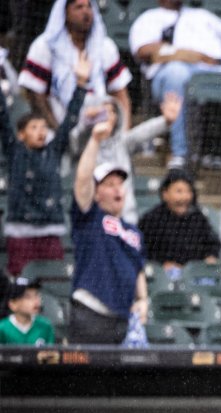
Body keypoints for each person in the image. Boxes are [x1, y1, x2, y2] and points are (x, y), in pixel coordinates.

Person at [1, 52, 89, 276]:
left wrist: (81, 84)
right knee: (20, 283)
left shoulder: (53, 150)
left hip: (49, 232)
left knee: (53, 280)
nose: (40, 132)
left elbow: (69, 120)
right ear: (21, 134)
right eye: (33, 128)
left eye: (43, 128)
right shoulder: (14, 152)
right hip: (20, 232)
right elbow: (2, 118)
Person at [69, 120, 147, 344]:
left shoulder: (132, 230)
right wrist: (94, 140)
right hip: (90, 311)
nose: (117, 188)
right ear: (96, 193)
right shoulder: (89, 217)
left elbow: (137, 265)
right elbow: (83, 181)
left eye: (119, 184)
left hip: (121, 317)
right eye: (109, 183)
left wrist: (143, 299)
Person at [129, 0, 221, 169]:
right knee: (177, 74)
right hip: (168, 74)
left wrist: (192, 56)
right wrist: (187, 55)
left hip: (210, 71)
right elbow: (143, 51)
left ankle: (218, 154)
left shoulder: (202, 16)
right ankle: (180, 154)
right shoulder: (149, 18)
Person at [18, 0, 132, 131]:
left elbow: (120, 93)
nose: (86, 11)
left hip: (101, 128)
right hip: (55, 127)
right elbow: (36, 96)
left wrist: (123, 133)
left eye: (89, 6)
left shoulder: (105, 46)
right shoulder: (45, 46)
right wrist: (60, 135)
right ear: (64, 13)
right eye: (79, 7)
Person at [70, 92, 182, 225]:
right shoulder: (84, 143)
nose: (107, 116)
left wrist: (166, 121)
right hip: (93, 222)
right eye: (102, 111)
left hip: (125, 219)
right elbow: (75, 138)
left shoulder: (122, 143)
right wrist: (86, 121)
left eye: (112, 112)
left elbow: (141, 133)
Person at [138, 169, 220, 272]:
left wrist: (210, 257)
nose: (184, 197)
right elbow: (143, 251)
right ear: (165, 193)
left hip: (194, 276)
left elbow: (212, 244)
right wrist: (161, 264)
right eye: (179, 191)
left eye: (188, 191)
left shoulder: (198, 218)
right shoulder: (151, 219)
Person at [0, 278, 55, 346]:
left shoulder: (45, 326)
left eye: (37, 295)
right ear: (13, 304)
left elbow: (51, 355)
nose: (36, 300)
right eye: (27, 297)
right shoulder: (2, 328)